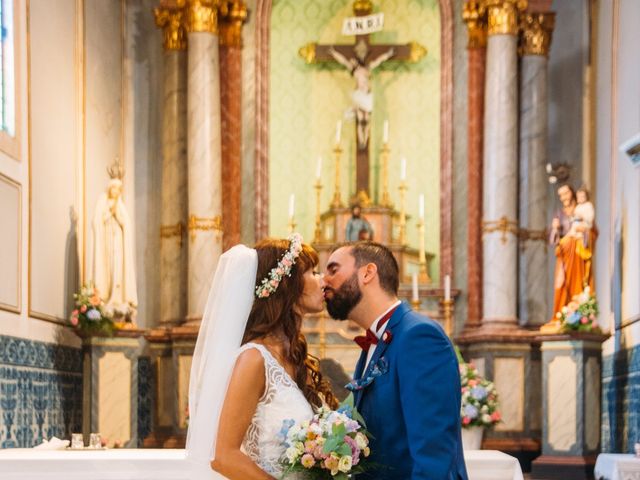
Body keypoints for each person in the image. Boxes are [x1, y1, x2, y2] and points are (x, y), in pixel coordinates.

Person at [186, 234, 338, 480]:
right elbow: (224, 457)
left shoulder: (293, 354)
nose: (323, 282)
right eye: (313, 272)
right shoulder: (254, 359)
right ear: (287, 285)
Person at [323, 241, 468, 480]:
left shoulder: (419, 336)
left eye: (333, 269)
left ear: (368, 273)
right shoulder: (376, 340)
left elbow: (433, 455)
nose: (324, 280)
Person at [91, 167, 137, 319]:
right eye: (114, 188)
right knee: (109, 270)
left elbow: (126, 225)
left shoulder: (121, 206)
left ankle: (117, 298)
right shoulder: (103, 203)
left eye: (119, 189)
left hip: (118, 243)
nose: (116, 191)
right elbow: (97, 221)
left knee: (118, 269)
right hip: (107, 244)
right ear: (110, 189)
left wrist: (117, 213)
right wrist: (109, 212)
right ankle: (108, 298)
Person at [328, 46, 395, 149]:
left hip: (367, 96)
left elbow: (378, 61)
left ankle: (365, 139)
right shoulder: (354, 69)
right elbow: (343, 61)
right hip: (359, 96)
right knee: (360, 120)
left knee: (366, 120)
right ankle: (361, 141)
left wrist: (388, 55)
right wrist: (333, 53)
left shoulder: (367, 68)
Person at [549, 184, 596, 320]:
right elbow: (554, 239)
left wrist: (585, 231)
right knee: (561, 285)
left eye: (566, 193)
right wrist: (555, 228)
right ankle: (561, 316)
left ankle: (580, 315)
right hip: (565, 257)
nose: (564, 198)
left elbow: (593, 230)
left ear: (572, 193)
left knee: (580, 285)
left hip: (578, 254)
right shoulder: (559, 213)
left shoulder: (582, 209)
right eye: (561, 195)